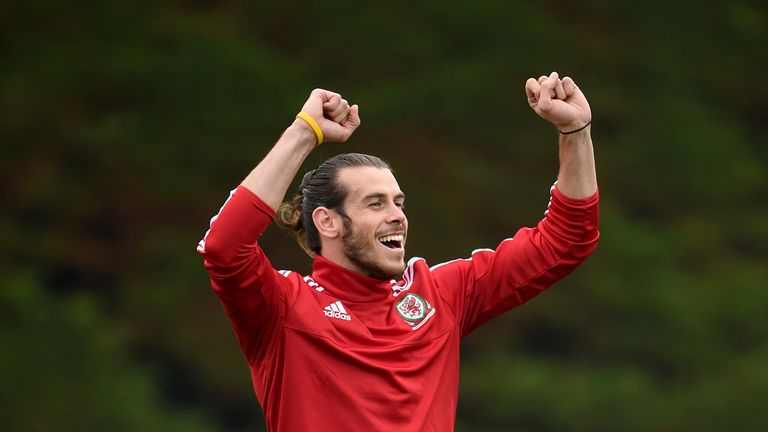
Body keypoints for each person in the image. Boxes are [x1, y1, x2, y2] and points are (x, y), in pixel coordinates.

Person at [197, 71, 599, 431]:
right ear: (327, 221)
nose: (397, 216)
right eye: (375, 204)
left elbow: (566, 239)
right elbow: (224, 248)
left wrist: (576, 132)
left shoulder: (440, 293)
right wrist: (304, 133)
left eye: (399, 202)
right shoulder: (282, 307)